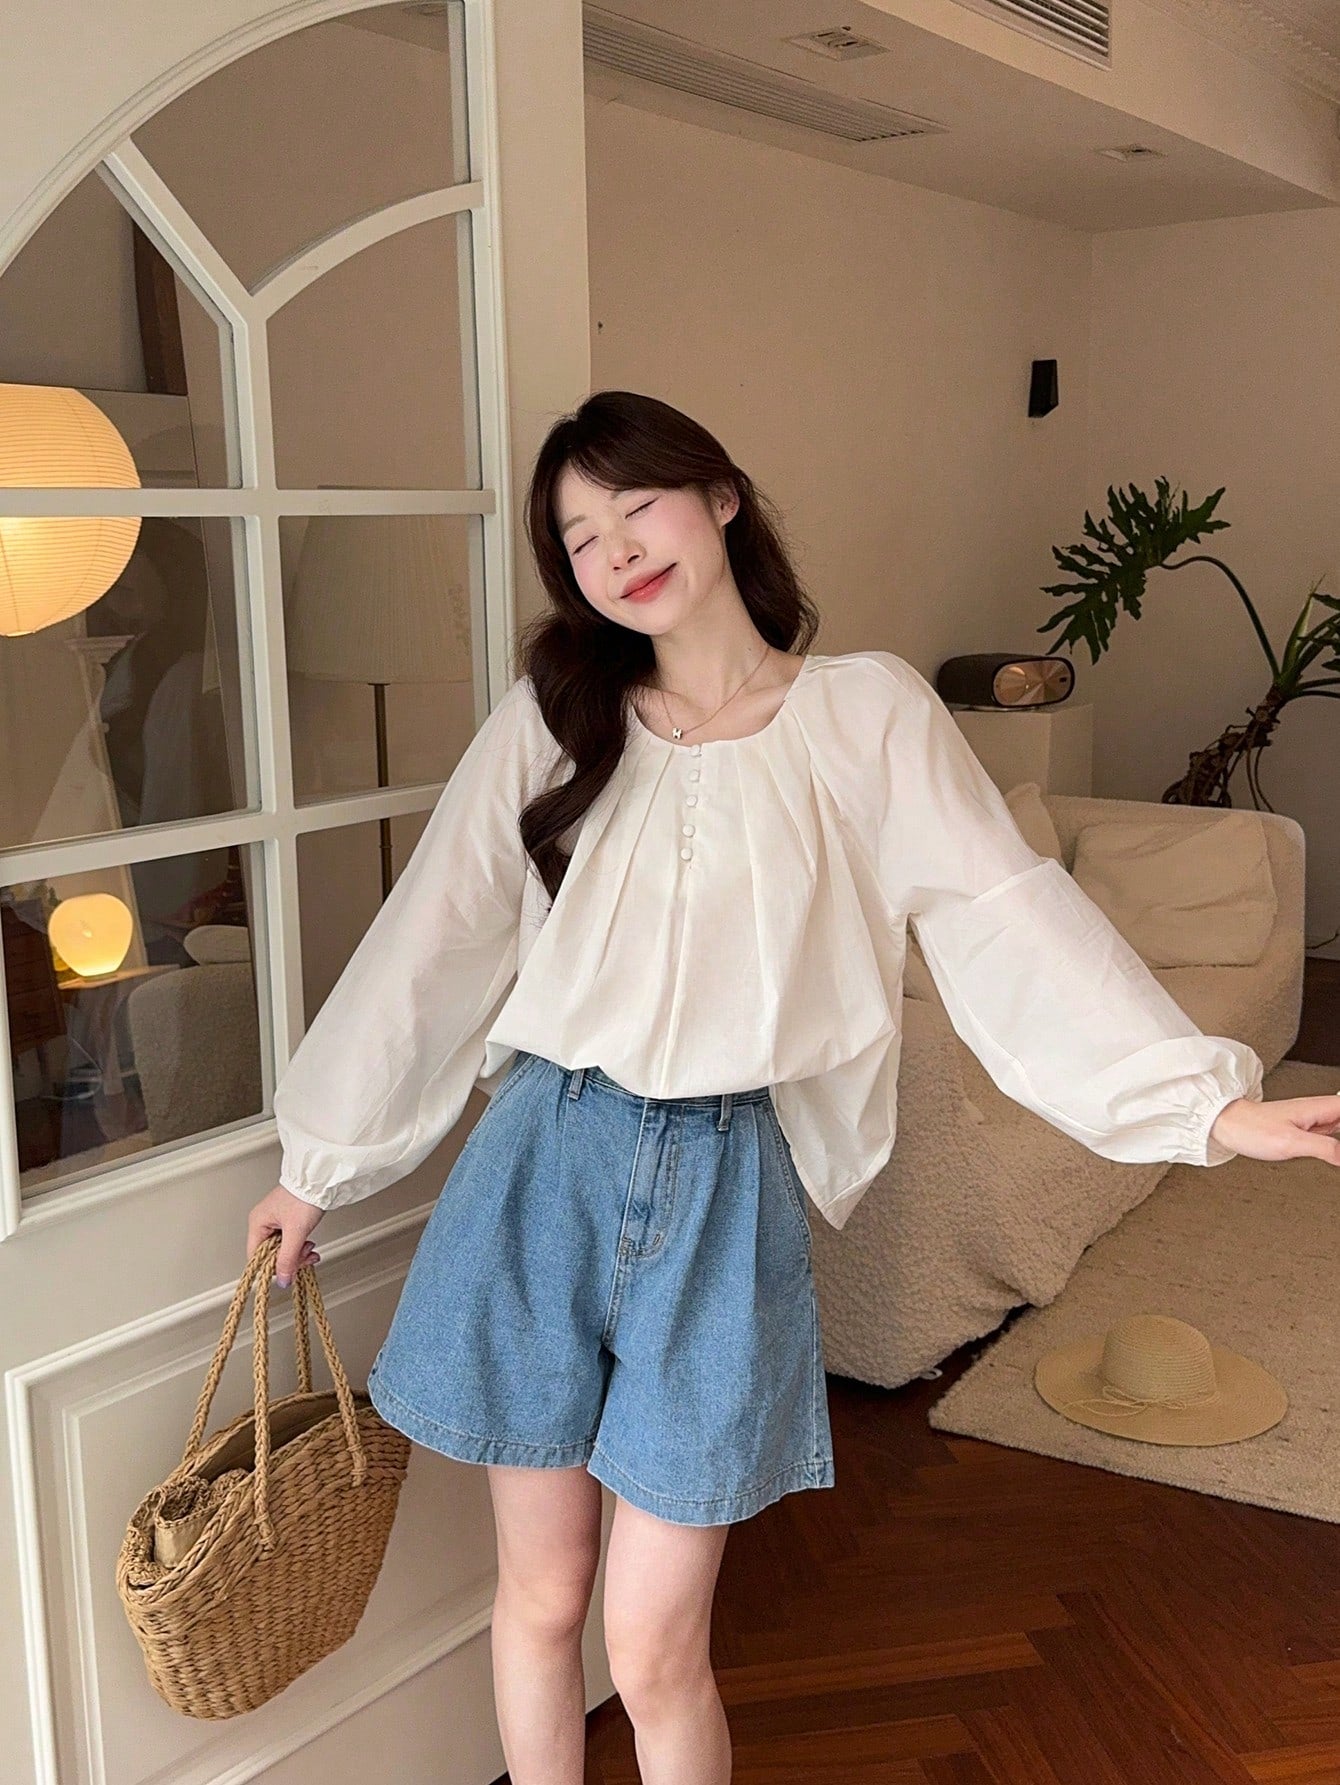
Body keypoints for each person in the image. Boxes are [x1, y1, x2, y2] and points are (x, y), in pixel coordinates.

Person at [246, 389, 1340, 1784]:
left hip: (721, 1183)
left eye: (637, 504)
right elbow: (434, 936)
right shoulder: (556, 720)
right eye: (578, 536)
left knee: (653, 1645)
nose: (615, 549)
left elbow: (1006, 913)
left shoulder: (861, 714)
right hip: (541, 1164)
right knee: (543, 1598)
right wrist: (319, 1163)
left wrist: (1207, 1104)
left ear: (719, 498)